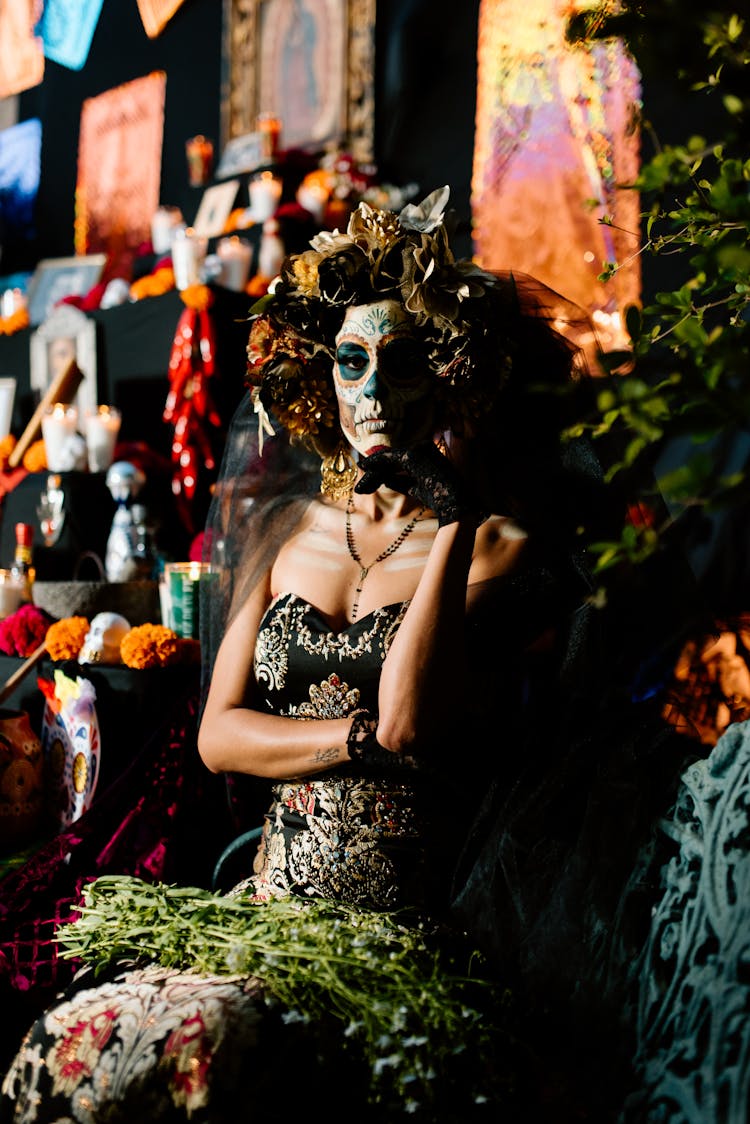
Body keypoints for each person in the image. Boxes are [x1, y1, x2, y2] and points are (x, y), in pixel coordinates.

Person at [0, 186, 620, 1122]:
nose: (371, 393)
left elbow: (412, 720)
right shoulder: (291, 532)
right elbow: (219, 736)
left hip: (394, 930)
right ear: (321, 378)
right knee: (77, 1039)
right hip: (266, 907)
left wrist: (452, 518)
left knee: (214, 1059)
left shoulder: (498, 548)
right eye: (352, 362)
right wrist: (359, 741)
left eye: (401, 362)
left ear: (450, 377)